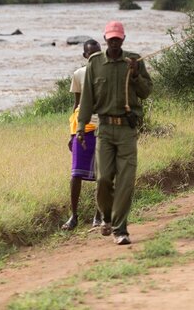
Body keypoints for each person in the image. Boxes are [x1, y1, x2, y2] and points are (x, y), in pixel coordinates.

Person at [77, 21, 153, 246]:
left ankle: (120, 229)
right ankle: (107, 217)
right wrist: (81, 127)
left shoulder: (134, 61)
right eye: (111, 39)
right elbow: (87, 98)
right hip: (104, 129)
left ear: (123, 39)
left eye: (118, 39)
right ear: (105, 39)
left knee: (125, 182)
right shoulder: (95, 63)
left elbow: (146, 92)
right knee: (103, 179)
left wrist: (136, 74)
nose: (114, 42)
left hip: (127, 130)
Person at [61, 39, 103, 231]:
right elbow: (76, 106)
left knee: (102, 175)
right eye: (91, 53)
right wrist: (72, 133)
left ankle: (98, 215)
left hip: (102, 129)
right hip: (82, 130)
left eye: (98, 53)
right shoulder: (78, 74)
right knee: (76, 174)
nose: (95, 56)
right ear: (85, 56)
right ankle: (74, 216)